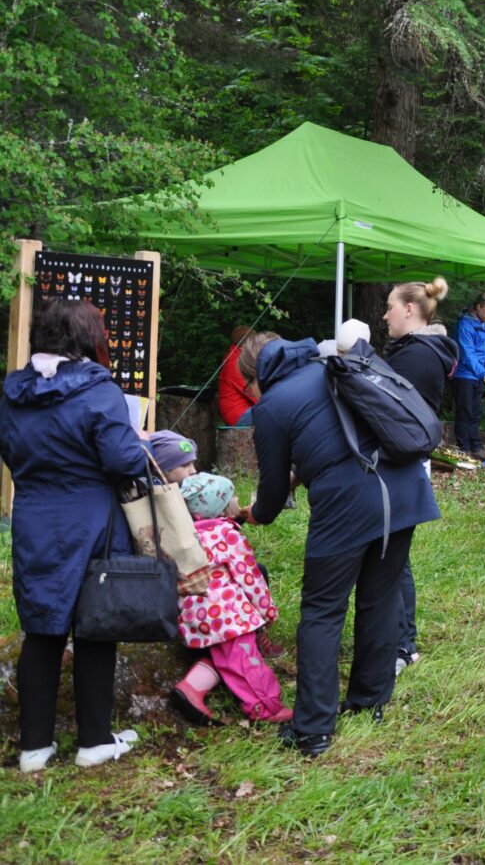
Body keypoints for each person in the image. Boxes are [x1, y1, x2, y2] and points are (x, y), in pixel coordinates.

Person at [240, 331, 441, 757]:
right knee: (381, 596)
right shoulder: (338, 368)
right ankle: (370, 701)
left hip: (349, 505)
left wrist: (253, 514)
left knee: (322, 611)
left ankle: (312, 729)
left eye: (247, 385)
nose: (249, 393)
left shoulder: (273, 406)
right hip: (405, 492)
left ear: (258, 376)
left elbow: (273, 494)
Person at [1, 299, 150, 772]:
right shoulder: (98, 390)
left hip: (33, 517)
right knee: (95, 625)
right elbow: (125, 461)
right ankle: (93, 741)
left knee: (41, 630)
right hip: (91, 518)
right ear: (88, 337)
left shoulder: (11, 392)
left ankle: (34, 748)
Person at [149, 433, 289, 725]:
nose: (192, 471)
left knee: (228, 658)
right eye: (231, 498)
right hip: (227, 615)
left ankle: (191, 688)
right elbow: (249, 576)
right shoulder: (225, 534)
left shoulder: (186, 530)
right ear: (221, 508)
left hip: (196, 612)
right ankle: (265, 707)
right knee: (246, 663)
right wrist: (266, 610)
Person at [382, 278, 460, 674]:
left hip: (400, 464)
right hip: (403, 463)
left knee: (392, 558)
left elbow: (389, 412)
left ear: (410, 309)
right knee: (393, 555)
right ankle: (400, 641)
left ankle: (400, 645)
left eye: (391, 306)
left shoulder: (416, 357)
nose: (385, 314)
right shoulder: (417, 351)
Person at [452, 292, 485, 455]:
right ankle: (464, 448)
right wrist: (482, 372)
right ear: (479, 307)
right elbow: (467, 353)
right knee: (464, 411)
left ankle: (476, 446)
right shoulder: (465, 325)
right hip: (464, 375)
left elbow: (484, 348)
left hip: (479, 373)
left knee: (476, 411)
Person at [217, 324, 258, 426]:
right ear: (245, 345)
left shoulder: (239, 359)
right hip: (238, 415)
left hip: (244, 411)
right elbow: (254, 393)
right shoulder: (236, 363)